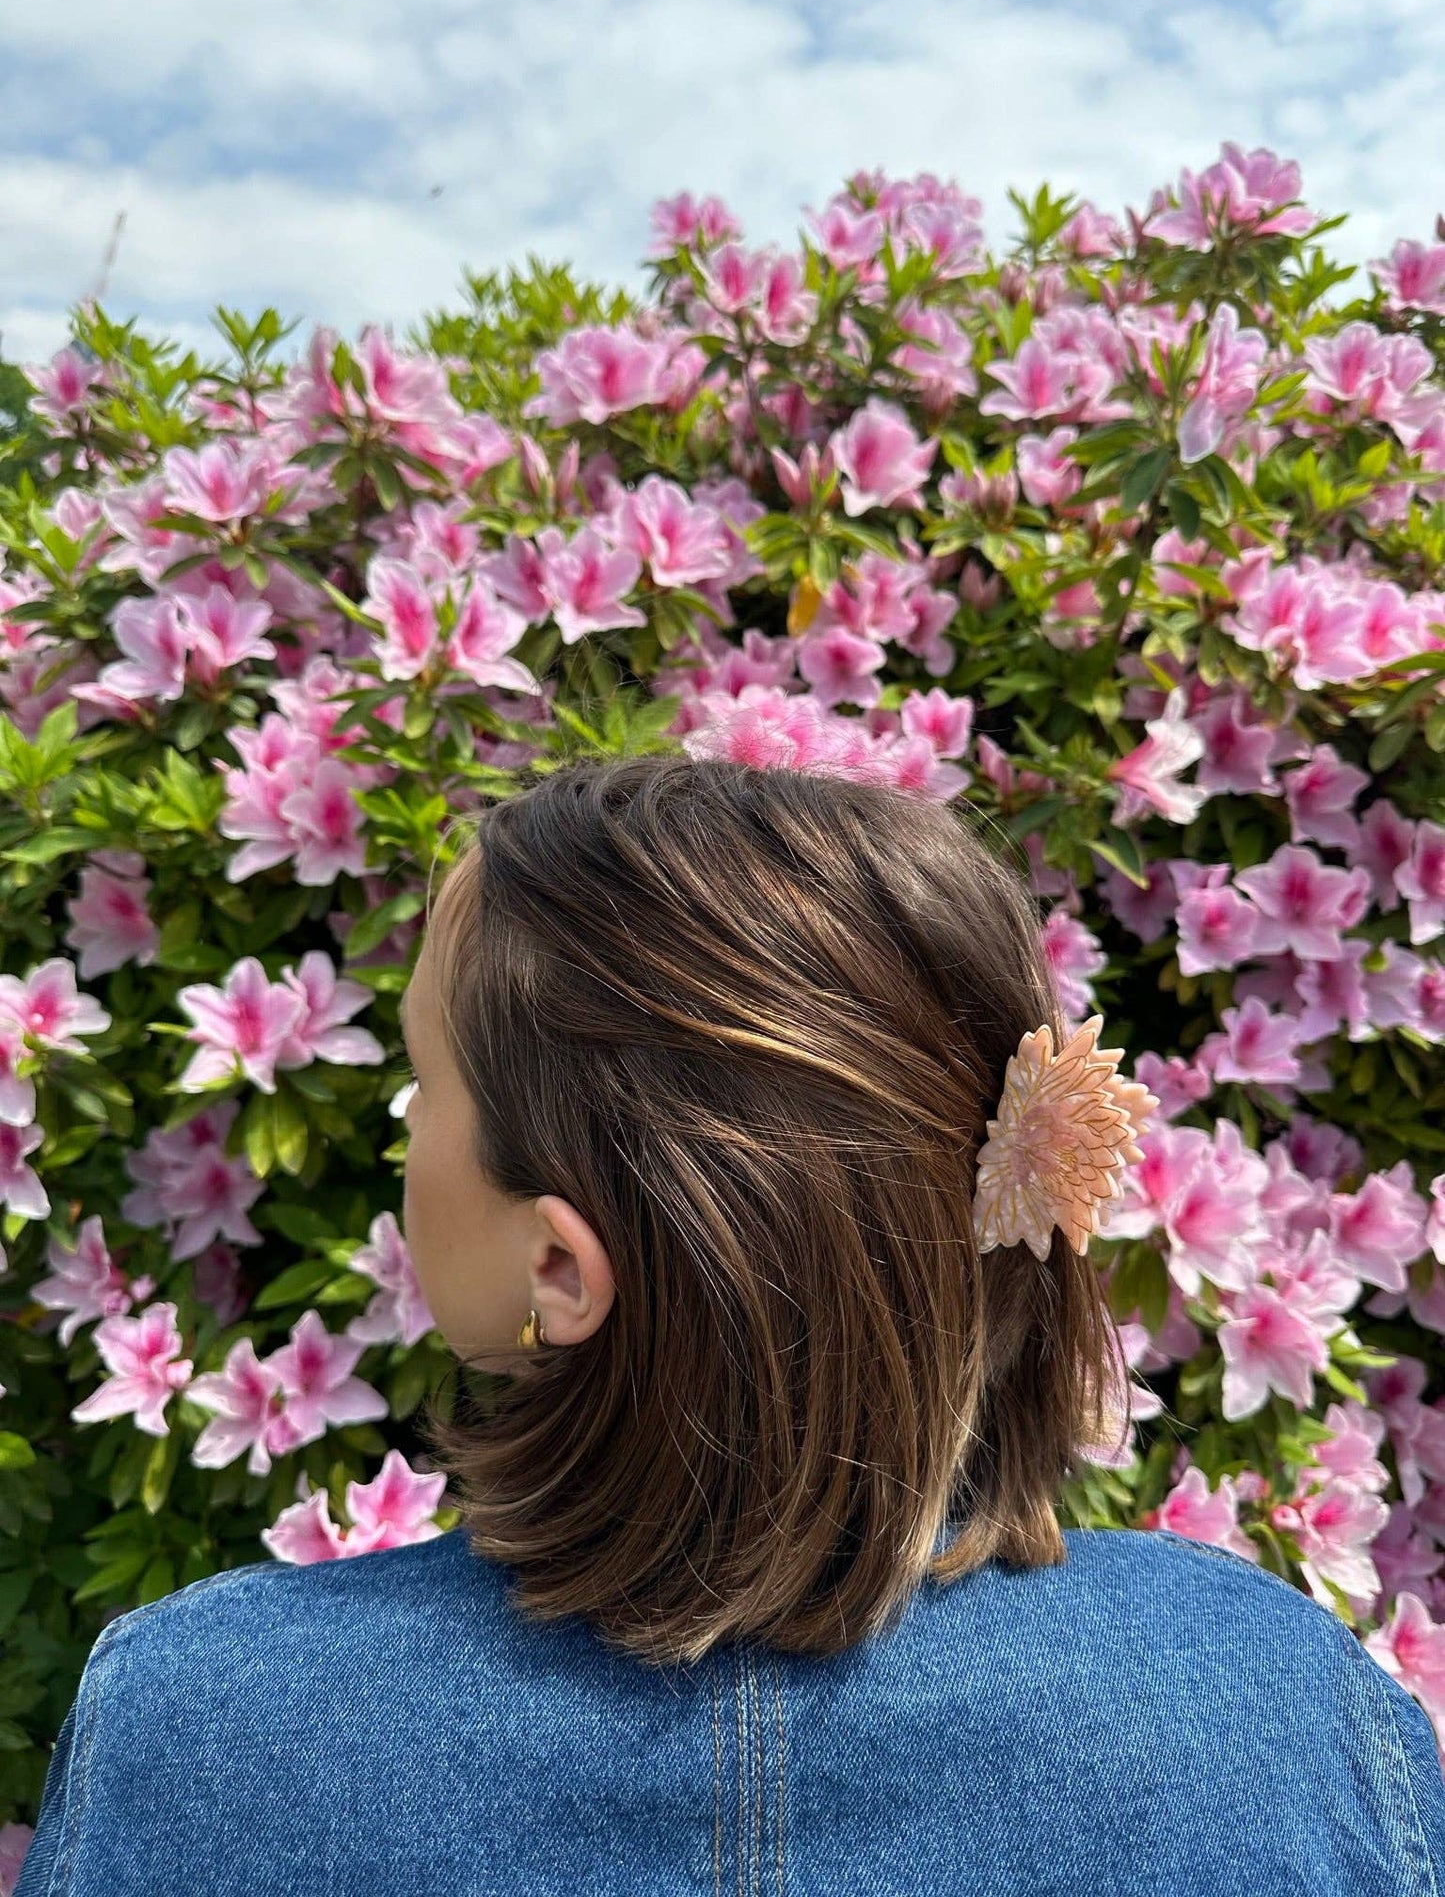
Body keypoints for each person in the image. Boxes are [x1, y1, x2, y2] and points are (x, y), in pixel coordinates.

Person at [16, 752, 1445, 1896]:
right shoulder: (1269, 1704)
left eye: (426, 1080)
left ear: (563, 1268)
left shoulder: (210, 1727)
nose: (405, 1126)